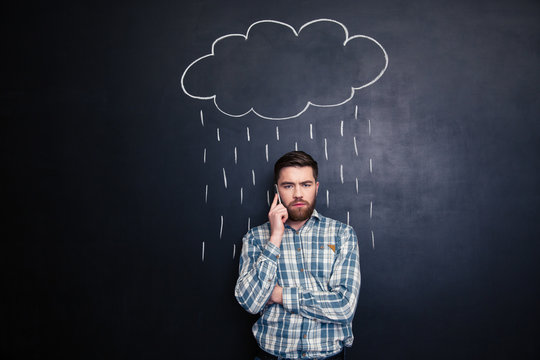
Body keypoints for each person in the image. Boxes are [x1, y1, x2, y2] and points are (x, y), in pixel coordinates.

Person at [235, 151, 361, 360]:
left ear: (316, 187)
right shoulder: (256, 238)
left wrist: (278, 295)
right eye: (288, 186)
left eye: (306, 184)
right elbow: (250, 302)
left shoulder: (342, 234)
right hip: (272, 355)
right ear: (277, 190)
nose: (298, 194)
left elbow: (344, 306)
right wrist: (275, 237)